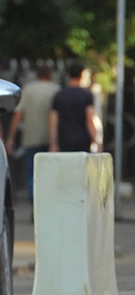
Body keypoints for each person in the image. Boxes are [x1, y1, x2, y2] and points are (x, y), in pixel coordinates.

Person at [6, 64, 59, 205]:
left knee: (32, 173)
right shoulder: (56, 90)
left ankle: (35, 203)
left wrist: (11, 138)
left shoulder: (28, 90)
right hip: (52, 139)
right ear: (50, 75)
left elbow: (17, 115)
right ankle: (48, 203)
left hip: (31, 138)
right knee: (51, 174)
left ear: (37, 74)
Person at [50, 62, 97, 154]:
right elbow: (89, 119)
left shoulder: (59, 95)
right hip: (83, 140)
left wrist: (53, 143)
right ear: (81, 75)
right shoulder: (86, 95)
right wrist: (95, 140)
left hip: (64, 139)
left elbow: (53, 121)